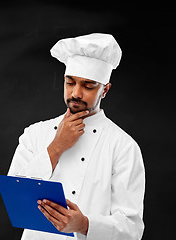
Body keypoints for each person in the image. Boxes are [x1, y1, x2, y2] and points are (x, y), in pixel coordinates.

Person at [7, 33, 145, 240]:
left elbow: (132, 229)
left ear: (105, 90)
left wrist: (85, 224)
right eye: (70, 83)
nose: (76, 94)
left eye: (88, 86)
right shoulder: (35, 134)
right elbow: (15, 199)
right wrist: (56, 147)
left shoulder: (123, 146)